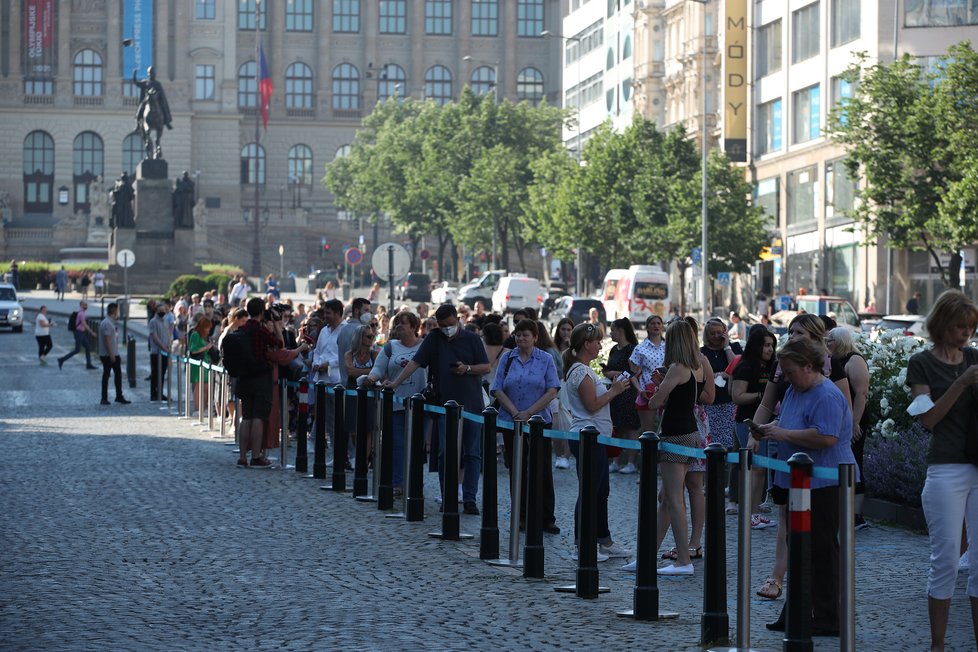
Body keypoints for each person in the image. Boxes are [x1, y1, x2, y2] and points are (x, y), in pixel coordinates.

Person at [753, 338, 856, 636]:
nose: (785, 377)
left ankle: (827, 617)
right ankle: (796, 611)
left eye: (790, 371)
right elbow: (792, 424)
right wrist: (773, 429)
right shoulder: (797, 389)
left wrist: (782, 433)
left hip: (824, 481)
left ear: (809, 367)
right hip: (800, 480)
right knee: (799, 547)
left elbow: (827, 438)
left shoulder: (825, 394)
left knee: (822, 549)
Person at [906, 290, 978, 652]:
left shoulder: (975, 357)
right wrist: (962, 382)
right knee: (946, 559)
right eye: (958, 326)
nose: (965, 333)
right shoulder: (922, 363)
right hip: (947, 468)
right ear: (941, 325)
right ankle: (938, 646)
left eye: (970, 327)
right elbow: (929, 419)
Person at [385, 303, 490, 515]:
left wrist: (467, 369)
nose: (446, 330)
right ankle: (447, 496)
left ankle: (469, 498)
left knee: (472, 453)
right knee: (445, 452)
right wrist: (395, 383)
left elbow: (486, 367)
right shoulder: (434, 338)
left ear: (457, 320)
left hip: (472, 405)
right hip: (444, 407)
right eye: (442, 326)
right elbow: (415, 363)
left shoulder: (471, 339)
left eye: (450, 325)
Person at [561, 322, 632, 561]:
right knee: (590, 491)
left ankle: (604, 540)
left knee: (600, 491)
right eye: (597, 341)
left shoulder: (585, 370)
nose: (600, 345)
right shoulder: (580, 371)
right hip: (587, 436)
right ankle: (584, 543)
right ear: (586, 345)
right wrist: (615, 390)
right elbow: (591, 405)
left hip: (596, 437)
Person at [643, 319, 708, 576]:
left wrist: (659, 383)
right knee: (667, 499)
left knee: (673, 498)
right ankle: (649, 554)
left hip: (675, 433)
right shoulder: (697, 366)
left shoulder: (677, 368)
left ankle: (683, 559)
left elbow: (654, 402)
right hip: (690, 431)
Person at [491, 319, 561, 535]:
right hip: (511, 420)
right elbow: (497, 388)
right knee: (517, 467)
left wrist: (529, 412)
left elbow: (552, 389)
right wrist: (514, 412)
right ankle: (520, 515)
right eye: (518, 334)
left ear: (535, 337)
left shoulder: (545, 358)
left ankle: (547, 517)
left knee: (542, 468)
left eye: (526, 335)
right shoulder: (507, 358)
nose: (521, 338)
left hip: (539, 420)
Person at [367, 311, 426, 492]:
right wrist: (371, 379)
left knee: (417, 444)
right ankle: (398, 482)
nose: (399, 326)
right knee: (397, 443)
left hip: (420, 404)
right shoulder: (390, 347)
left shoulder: (425, 346)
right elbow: (378, 368)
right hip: (396, 403)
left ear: (414, 327)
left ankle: (414, 481)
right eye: (397, 323)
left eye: (404, 323)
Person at [731, 327, 778, 529]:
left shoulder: (773, 366)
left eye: (772, 345)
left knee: (761, 470)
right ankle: (750, 514)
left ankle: (755, 513)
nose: (770, 349)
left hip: (767, 422)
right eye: (766, 345)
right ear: (756, 346)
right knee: (755, 469)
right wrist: (762, 396)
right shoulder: (745, 366)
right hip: (747, 422)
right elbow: (737, 396)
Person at [826, 327, 872, 529]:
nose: (827, 344)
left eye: (830, 341)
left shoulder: (854, 360)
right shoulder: (835, 360)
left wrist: (855, 423)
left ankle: (856, 514)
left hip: (855, 418)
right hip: (841, 419)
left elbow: (861, 394)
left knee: (854, 461)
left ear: (841, 341)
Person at [235, 297, 283, 468]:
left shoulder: (242, 328)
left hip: (244, 377)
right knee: (258, 418)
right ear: (262, 312)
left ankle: (242, 457)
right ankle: (256, 456)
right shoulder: (260, 330)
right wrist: (277, 325)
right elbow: (279, 344)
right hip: (261, 377)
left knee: (246, 417)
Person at [701, 318, 742, 510]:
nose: (717, 336)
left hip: (729, 403)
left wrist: (726, 347)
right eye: (713, 333)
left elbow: (737, 366)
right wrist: (721, 374)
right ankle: (710, 483)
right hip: (710, 404)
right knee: (711, 446)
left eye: (720, 332)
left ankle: (726, 485)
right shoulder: (702, 352)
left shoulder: (733, 348)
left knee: (728, 445)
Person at [605, 318, 640, 474]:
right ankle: (616, 460)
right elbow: (607, 369)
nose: (611, 333)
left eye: (612, 330)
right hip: (614, 392)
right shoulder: (614, 349)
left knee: (630, 427)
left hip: (628, 392)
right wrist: (610, 373)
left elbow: (635, 370)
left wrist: (617, 373)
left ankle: (631, 462)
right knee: (616, 426)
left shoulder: (632, 349)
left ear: (620, 331)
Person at [630, 314, 667, 436]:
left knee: (666, 433)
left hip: (668, 393)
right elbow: (633, 375)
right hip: (648, 394)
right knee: (649, 433)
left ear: (662, 326)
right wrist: (640, 391)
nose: (656, 325)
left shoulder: (669, 346)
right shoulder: (640, 348)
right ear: (647, 327)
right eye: (653, 323)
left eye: (658, 323)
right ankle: (647, 455)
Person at [97, 303, 130, 405]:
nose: (118, 313)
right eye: (117, 311)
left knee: (117, 375)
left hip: (112, 353)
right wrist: (111, 354)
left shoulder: (109, 322)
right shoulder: (107, 323)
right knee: (107, 376)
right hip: (109, 355)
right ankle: (104, 398)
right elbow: (106, 340)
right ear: (114, 311)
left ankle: (118, 396)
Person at [58, 301, 97, 370]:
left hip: (81, 333)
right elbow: (84, 324)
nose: (86, 306)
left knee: (88, 347)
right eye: (85, 305)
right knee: (77, 350)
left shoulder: (82, 313)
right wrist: (91, 332)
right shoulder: (81, 313)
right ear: (81, 305)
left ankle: (89, 364)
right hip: (78, 333)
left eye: (87, 305)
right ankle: (62, 359)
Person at [188, 313, 214, 414]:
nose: (208, 330)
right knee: (198, 386)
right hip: (197, 364)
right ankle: (197, 409)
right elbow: (193, 350)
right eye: (207, 328)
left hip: (204, 363)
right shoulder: (195, 334)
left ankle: (203, 408)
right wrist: (206, 347)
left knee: (206, 387)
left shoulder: (203, 336)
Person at [149, 303, 170, 401]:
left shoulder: (165, 320)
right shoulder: (153, 321)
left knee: (162, 373)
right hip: (156, 352)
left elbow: (167, 334)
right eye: (160, 310)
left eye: (164, 310)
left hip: (165, 352)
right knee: (155, 374)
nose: (163, 312)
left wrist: (168, 345)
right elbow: (154, 336)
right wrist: (163, 346)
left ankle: (160, 393)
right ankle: (153, 394)